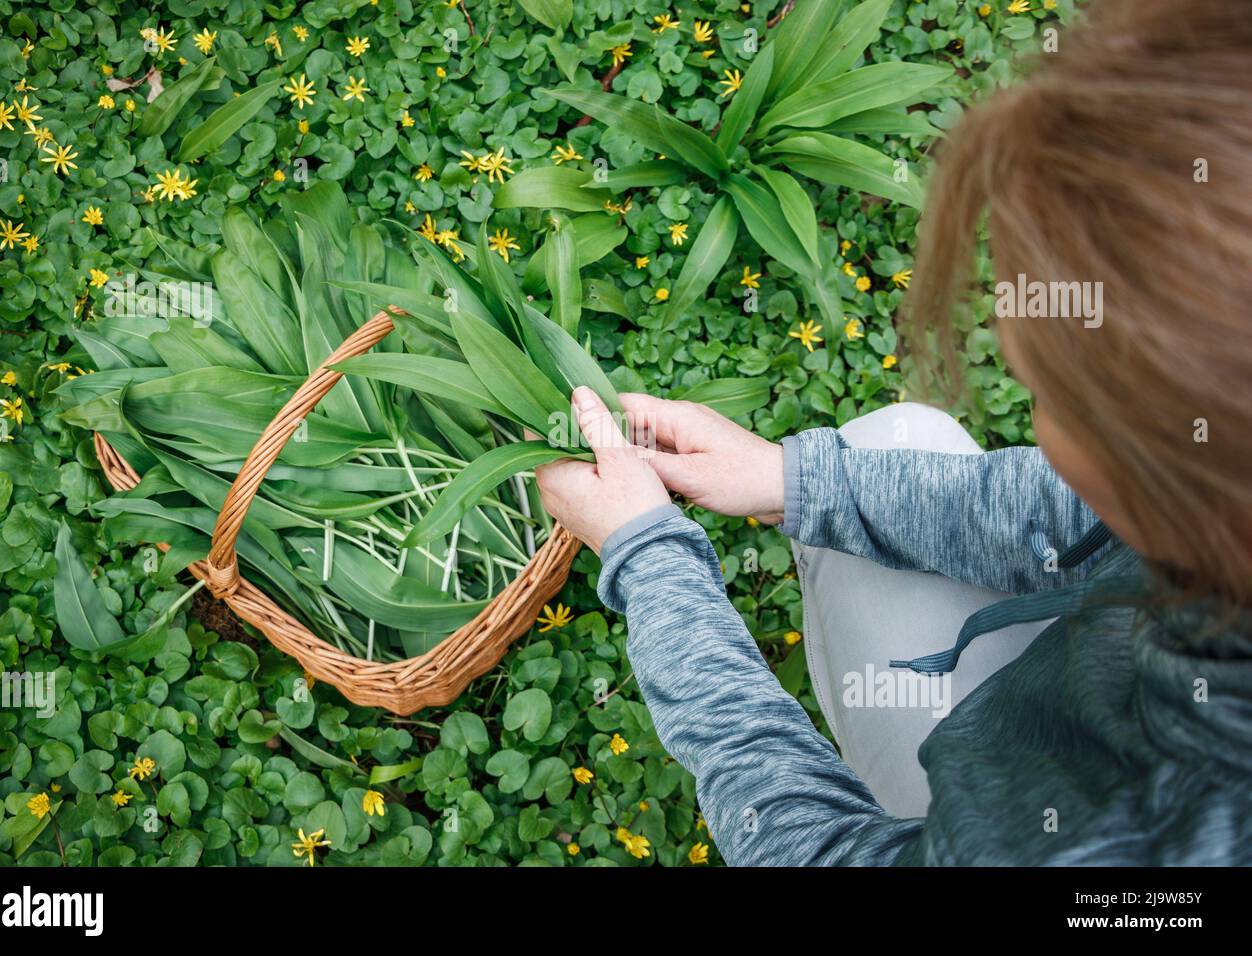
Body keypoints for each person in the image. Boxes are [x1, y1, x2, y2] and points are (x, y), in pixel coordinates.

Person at [533, 0, 1252, 865]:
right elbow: (1076, 514)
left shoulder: (1129, 857)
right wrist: (795, 480)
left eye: (1048, 391)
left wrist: (647, 559)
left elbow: (824, 855)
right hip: (1093, 688)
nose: (1028, 401)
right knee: (890, 438)